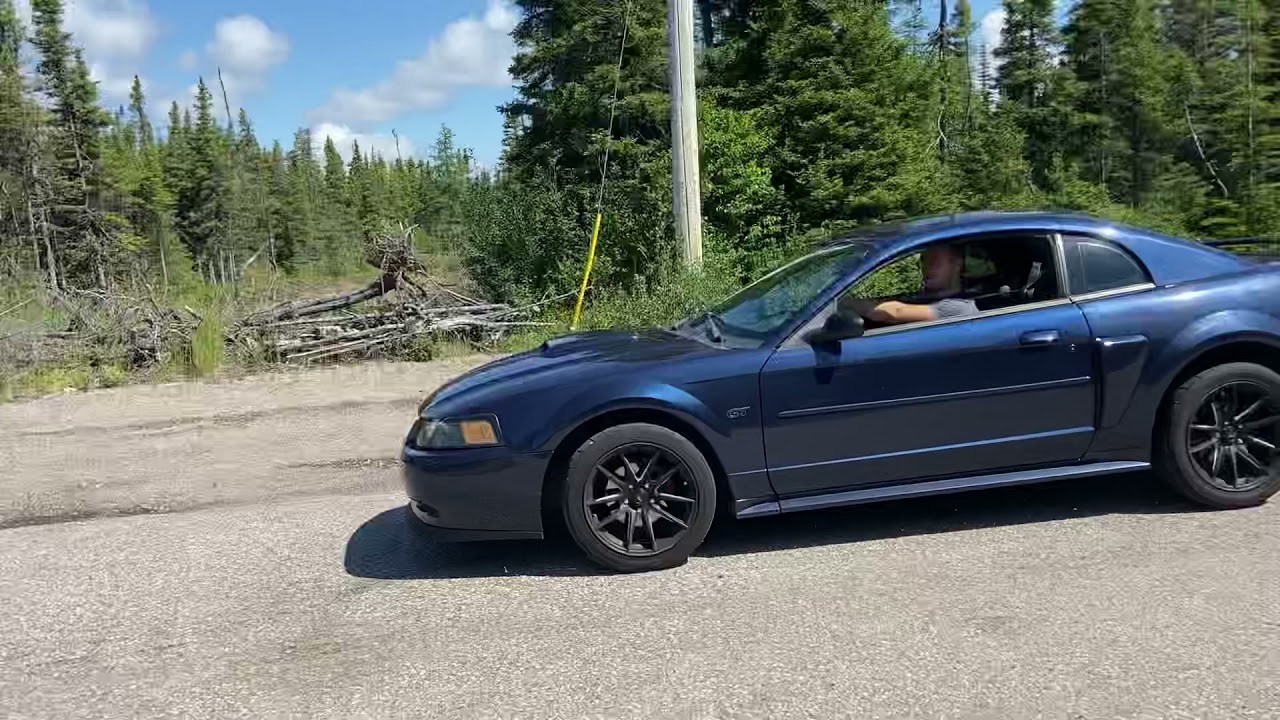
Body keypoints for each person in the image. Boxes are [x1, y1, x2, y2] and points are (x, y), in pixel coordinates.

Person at [840, 243, 979, 325]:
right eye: (924, 261)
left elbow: (893, 312)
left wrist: (839, 303)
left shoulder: (959, 307)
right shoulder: (924, 298)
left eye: (934, 261)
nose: (926, 267)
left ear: (956, 264)